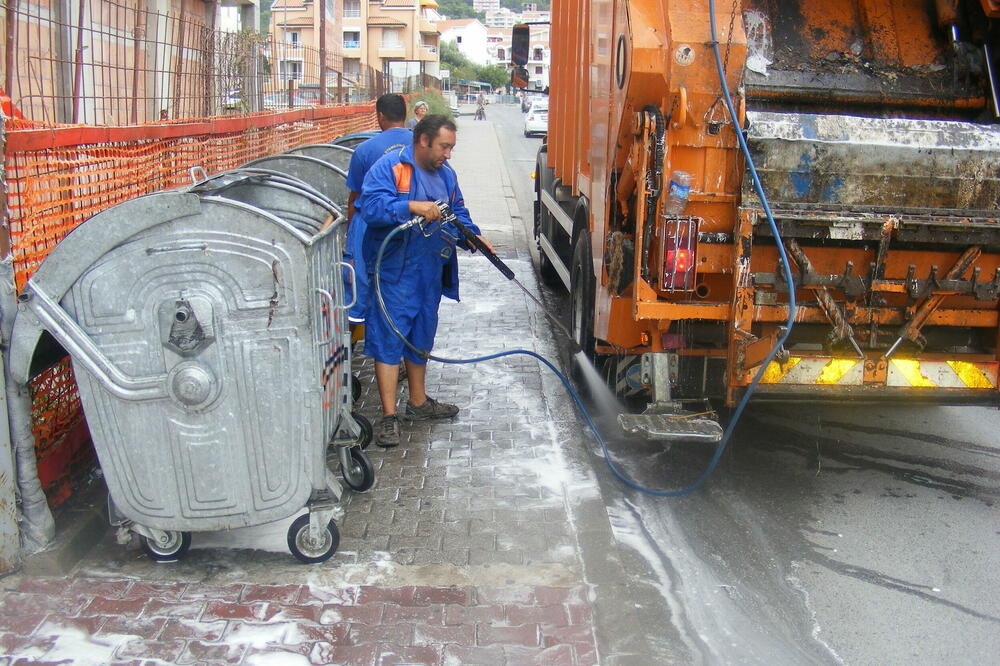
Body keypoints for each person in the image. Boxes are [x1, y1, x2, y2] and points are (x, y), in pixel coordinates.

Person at [357, 114, 493, 448]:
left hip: (430, 270)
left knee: (421, 336)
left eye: (451, 148)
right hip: (394, 271)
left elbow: (458, 213)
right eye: (444, 146)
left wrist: (472, 237)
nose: (448, 154)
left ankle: (417, 403)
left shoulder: (446, 175)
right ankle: (388, 416)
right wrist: (412, 206)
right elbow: (371, 208)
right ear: (423, 140)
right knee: (389, 338)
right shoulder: (391, 168)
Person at [343, 93, 411, 327]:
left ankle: (360, 331)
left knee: (361, 279)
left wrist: (350, 238)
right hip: (412, 219)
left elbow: (355, 197)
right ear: (405, 114)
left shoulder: (365, 149)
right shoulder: (421, 144)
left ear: (380, 116)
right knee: (402, 279)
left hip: (369, 222)